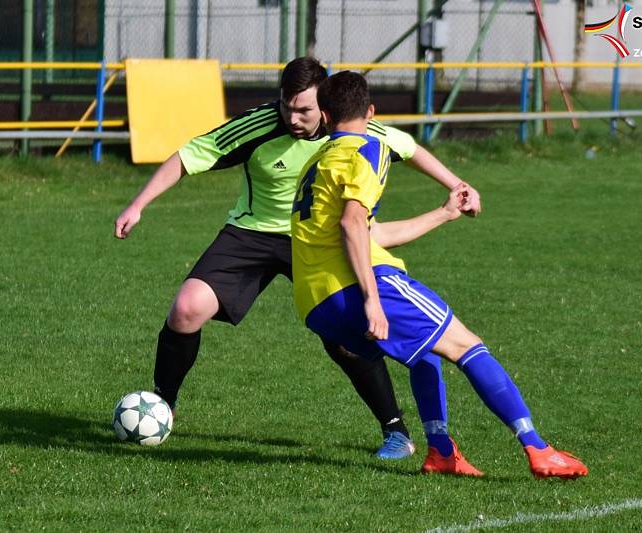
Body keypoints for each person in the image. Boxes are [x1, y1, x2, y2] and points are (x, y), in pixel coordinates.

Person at [114, 57, 481, 459]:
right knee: (186, 308)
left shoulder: (350, 131)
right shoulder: (260, 124)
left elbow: (409, 149)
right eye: (286, 106)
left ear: (324, 107)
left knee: (347, 337)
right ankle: (162, 406)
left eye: (304, 109)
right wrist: (139, 204)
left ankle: (395, 430)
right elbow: (189, 155)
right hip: (252, 232)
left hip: (318, 241)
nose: (293, 117)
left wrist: (458, 186)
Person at [290, 70, 588, 478]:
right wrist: (372, 299)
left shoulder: (317, 160)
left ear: (323, 116)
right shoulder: (369, 148)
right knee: (469, 345)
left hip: (315, 302)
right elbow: (353, 225)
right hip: (361, 286)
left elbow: (372, 232)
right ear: (372, 112)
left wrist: (445, 214)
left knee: (424, 352)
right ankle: (538, 448)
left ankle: (441, 451)